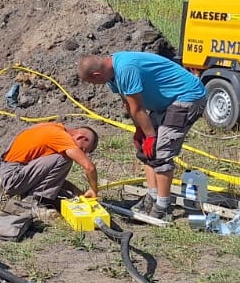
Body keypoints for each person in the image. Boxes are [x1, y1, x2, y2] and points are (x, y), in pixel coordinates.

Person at [78, 51, 205, 220]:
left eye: (92, 82)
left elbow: (138, 109)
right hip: (167, 102)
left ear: (96, 74)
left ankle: (162, 206)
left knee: (161, 152)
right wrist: (140, 131)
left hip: (187, 96)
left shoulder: (126, 69)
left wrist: (151, 136)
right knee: (145, 150)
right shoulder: (111, 75)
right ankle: (152, 196)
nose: (94, 85)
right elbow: (128, 104)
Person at [0, 122, 101, 209]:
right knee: (65, 159)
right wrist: (93, 190)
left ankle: (22, 192)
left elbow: (45, 176)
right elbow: (89, 167)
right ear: (81, 137)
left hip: (11, 171)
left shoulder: (52, 127)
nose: (82, 153)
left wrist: (74, 190)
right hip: (13, 177)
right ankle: (34, 201)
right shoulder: (61, 137)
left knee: (61, 158)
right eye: (83, 150)